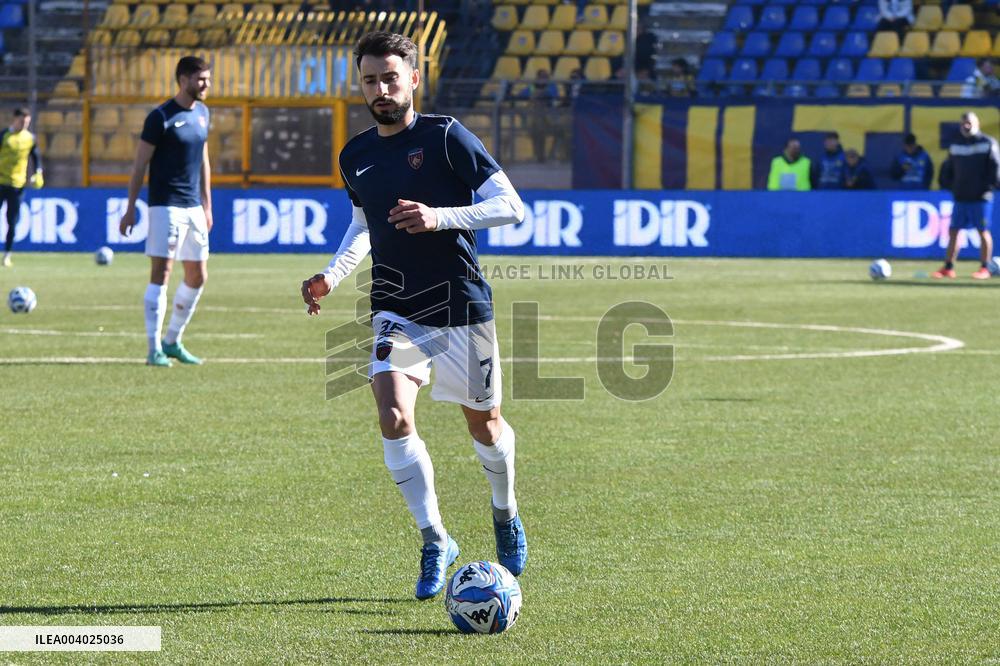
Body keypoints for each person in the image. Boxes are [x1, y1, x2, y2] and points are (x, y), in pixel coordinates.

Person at [299, 31, 527, 600]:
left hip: (461, 306)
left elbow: (511, 207)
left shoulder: (447, 137)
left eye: (390, 77)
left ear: (414, 79)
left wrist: (439, 216)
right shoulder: (356, 156)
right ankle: (435, 538)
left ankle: (505, 514)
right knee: (394, 415)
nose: (380, 89)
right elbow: (362, 226)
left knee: (485, 425)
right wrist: (332, 273)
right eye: (370, 79)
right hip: (396, 305)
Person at [119, 56, 213, 366]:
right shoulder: (159, 117)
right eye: (201, 79)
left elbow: (203, 161)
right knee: (162, 274)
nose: (206, 84)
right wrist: (131, 207)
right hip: (165, 206)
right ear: (184, 79)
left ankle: (172, 340)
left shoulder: (203, 113)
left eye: (208, 79)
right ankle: (153, 349)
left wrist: (207, 204)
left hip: (193, 208)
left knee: (198, 276)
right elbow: (138, 165)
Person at [932, 112, 1000, 279]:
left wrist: (988, 187)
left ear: (977, 123)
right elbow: (947, 169)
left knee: (982, 231)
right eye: (963, 123)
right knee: (954, 231)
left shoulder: (988, 142)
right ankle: (948, 267)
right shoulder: (956, 145)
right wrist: (950, 186)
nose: (966, 126)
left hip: (981, 198)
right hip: (961, 197)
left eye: (969, 122)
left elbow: (996, 167)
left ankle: (985, 267)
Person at [0, 107, 43, 267]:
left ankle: (7, 255)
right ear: (15, 119)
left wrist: (38, 172)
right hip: (0, 183)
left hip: (17, 185)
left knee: (11, 221)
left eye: (27, 122)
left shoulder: (29, 138)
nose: (24, 125)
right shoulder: (4, 135)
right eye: (22, 121)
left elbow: (36, 155)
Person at [519, 68, 560, 162]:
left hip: (550, 119)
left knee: (560, 133)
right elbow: (520, 95)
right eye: (541, 77)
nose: (543, 79)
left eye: (545, 77)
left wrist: (539, 94)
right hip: (534, 120)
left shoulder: (551, 87)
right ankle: (538, 156)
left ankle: (550, 155)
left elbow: (552, 95)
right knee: (537, 130)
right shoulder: (531, 87)